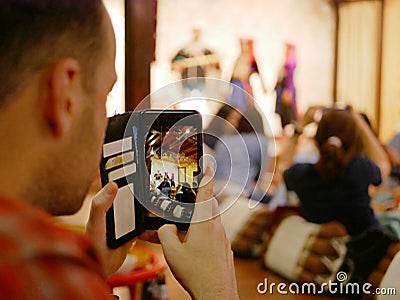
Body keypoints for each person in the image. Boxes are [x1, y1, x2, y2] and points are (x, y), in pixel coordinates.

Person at [0, 1, 239, 299]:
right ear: (65, 94)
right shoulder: (37, 270)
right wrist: (218, 289)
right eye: (105, 96)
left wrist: (94, 272)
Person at [283, 108, 390, 237]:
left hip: (323, 249)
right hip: (368, 247)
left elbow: (282, 168)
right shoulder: (361, 168)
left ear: (316, 140)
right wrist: (359, 122)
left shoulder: (301, 174)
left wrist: (299, 128)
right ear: (354, 141)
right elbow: (384, 165)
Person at [228, 38, 266, 111]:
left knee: (241, 106)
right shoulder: (239, 58)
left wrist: (262, 87)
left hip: (243, 86)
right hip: (236, 84)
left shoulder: (250, 59)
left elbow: (257, 73)